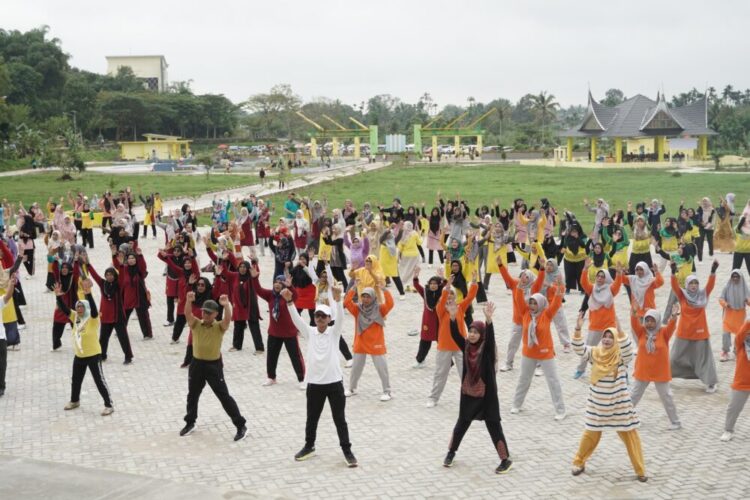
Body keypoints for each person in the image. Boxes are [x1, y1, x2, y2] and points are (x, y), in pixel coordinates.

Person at [285, 283, 358, 467]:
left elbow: (341, 318)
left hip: (334, 383)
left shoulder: (334, 333)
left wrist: (339, 299)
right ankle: (309, 446)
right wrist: (289, 303)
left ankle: (347, 450)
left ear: (328, 318)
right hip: (315, 384)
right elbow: (296, 321)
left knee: (339, 419)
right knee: (312, 418)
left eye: (323, 316)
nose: (320, 319)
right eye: (317, 315)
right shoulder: (309, 333)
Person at [442, 301, 512, 474]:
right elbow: (455, 334)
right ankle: (451, 453)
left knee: (494, 426)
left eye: (476, 332)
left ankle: (505, 460)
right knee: (461, 424)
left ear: (482, 335)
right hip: (469, 393)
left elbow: (491, 338)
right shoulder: (466, 346)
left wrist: (489, 321)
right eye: (471, 331)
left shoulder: (486, 349)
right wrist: (452, 316)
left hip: (487, 396)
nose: (472, 335)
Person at [571, 323, 646, 482]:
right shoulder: (595, 353)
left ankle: (640, 470)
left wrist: (620, 332)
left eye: (611, 337)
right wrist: (578, 329)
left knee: (631, 437)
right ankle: (579, 462)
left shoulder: (621, 357)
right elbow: (579, 349)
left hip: (619, 407)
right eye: (605, 336)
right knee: (589, 435)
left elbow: (627, 350)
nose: (606, 339)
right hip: (597, 407)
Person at [180, 292, 247, 442]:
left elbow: (228, 319)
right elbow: (187, 313)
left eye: (209, 313)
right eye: (204, 311)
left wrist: (227, 305)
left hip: (213, 366)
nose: (205, 314)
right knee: (192, 395)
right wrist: (188, 300)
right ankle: (190, 422)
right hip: (196, 364)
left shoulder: (219, 327)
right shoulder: (196, 324)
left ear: (216, 314)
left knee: (224, 396)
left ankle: (240, 425)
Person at [56, 279, 114, 416]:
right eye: (78, 306)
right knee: (76, 380)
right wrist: (58, 296)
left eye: (82, 307)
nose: (79, 309)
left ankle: (109, 404)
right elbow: (64, 309)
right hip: (79, 356)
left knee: (99, 380)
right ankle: (75, 400)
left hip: (93, 355)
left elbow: (93, 309)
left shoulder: (93, 319)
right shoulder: (75, 316)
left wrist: (88, 294)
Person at [510, 283, 567, 420]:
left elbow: (556, 303)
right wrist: (519, 287)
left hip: (545, 353)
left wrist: (559, 292)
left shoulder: (546, 314)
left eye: (535, 303)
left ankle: (561, 410)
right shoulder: (525, 313)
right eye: (530, 303)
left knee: (553, 381)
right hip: (528, 353)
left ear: (541, 304)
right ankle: (517, 404)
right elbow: (518, 299)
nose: (532, 306)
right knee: (524, 379)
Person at [427, 273, 478, 407]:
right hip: (444, 347)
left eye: (452, 294)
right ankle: (433, 398)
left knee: (466, 373)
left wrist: (473, 282)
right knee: (440, 374)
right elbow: (443, 299)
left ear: (455, 297)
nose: (449, 296)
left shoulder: (461, 308)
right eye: (448, 294)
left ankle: (470, 398)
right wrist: (447, 287)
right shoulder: (441, 310)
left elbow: (471, 296)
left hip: (461, 347)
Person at [669, 260, 719, 392]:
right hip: (684, 333)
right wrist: (673, 273)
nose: (693, 285)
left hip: (700, 333)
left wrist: (713, 271)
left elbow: (710, 285)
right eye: (691, 283)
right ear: (686, 285)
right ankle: (666, 376)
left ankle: (710, 382)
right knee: (674, 357)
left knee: (704, 359)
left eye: (696, 283)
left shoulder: (703, 295)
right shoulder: (682, 296)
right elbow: (674, 286)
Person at [629, 307, 681, 430]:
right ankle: (624, 418)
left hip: (660, 372)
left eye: (652, 321)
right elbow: (634, 322)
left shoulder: (664, 333)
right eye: (647, 320)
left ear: (657, 321)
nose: (649, 323)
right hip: (643, 370)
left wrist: (673, 316)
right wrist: (634, 313)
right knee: (634, 395)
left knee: (666, 397)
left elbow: (672, 326)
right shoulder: (641, 332)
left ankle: (675, 422)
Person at [344, 284, 394, 401]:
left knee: (382, 368)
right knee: (356, 368)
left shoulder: (380, 309)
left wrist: (384, 290)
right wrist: (353, 289)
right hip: (360, 343)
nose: (365, 299)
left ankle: (387, 391)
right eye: (363, 297)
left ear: (373, 297)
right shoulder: (357, 309)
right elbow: (346, 302)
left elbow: (390, 303)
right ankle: (352, 388)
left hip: (376, 344)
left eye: (368, 297)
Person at [574, 260, 623, 379]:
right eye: (598, 276)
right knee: (587, 350)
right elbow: (583, 282)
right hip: (595, 326)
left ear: (606, 279)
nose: (600, 278)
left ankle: (620, 374)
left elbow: (617, 284)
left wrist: (619, 273)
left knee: (615, 352)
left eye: (602, 277)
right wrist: (585, 269)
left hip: (609, 326)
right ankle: (580, 370)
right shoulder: (592, 289)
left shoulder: (611, 290)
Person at [721, 320, 750, 442]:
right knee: (733, 407)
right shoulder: (740, 346)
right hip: (742, 382)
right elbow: (739, 335)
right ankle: (728, 430)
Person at [719, 270, 750, 362]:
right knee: (725, 334)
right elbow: (721, 298)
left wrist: (747, 301)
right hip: (729, 315)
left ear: (741, 278)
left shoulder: (745, 288)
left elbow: (749, 300)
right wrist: (725, 304)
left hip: (740, 316)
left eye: (737, 277)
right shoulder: (727, 287)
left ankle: (736, 351)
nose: (735, 279)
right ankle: (725, 352)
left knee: (740, 335)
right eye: (734, 277)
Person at [0, 276, 16, 397]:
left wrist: (11, 285)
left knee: (1, 363)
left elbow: (7, 297)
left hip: (0, 338)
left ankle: (1, 386)